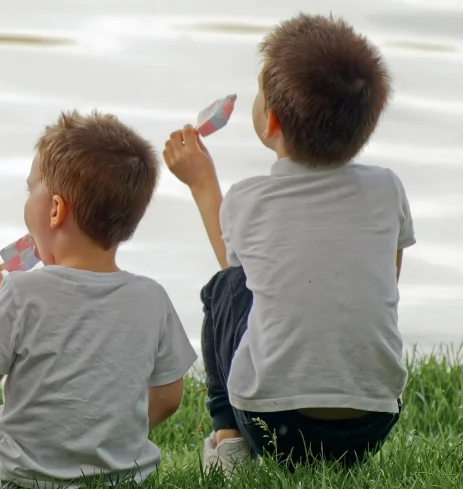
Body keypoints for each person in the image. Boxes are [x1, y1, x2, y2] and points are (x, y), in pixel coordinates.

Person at [163, 13, 414, 474]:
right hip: (373, 420)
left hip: (271, 421)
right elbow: (387, 280)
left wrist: (202, 183)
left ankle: (227, 436)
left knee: (224, 289)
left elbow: (239, 275)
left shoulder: (248, 199)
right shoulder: (387, 189)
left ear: (271, 120)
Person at [0, 111, 199, 487]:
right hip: (124, 473)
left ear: (56, 210)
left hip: (20, 468)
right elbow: (169, 397)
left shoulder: (23, 291)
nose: (26, 200)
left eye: (31, 190)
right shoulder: (152, 298)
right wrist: (108, 438)